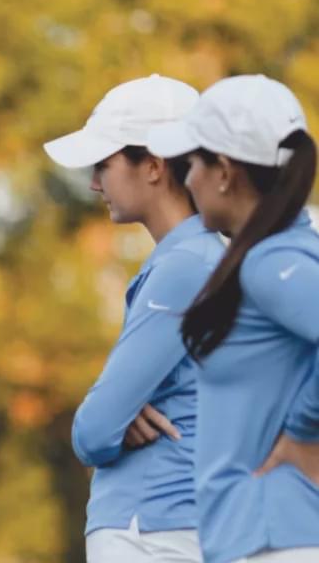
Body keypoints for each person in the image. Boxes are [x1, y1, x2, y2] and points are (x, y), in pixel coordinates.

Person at [44, 74, 223, 562]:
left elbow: (93, 431)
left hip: (148, 530)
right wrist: (118, 411)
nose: (94, 182)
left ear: (154, 166)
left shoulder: (185, 265)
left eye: (104, 163)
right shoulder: (205, 258)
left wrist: (113, 416)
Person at [147, 74, 319, 563]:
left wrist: (303, 431)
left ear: (224, 171)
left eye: (192, 164)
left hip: (276, 535)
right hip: (264, 535)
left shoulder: (270, 260)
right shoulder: (284, 251)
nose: (187, 180)